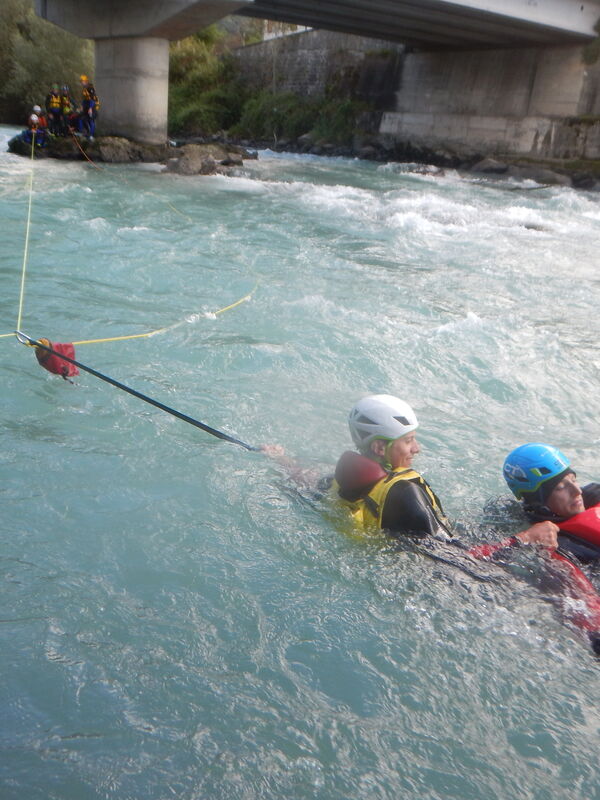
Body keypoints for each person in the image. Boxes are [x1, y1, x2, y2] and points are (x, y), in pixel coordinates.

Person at [502, 443, 600, 564]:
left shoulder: (595, 495)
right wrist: (523, 540)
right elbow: (472, 560)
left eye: (573, 480)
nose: (577, 491)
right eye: (561, 487)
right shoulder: (558, 548)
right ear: (538, 501)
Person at [80, 74, 99, 140]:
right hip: (87, 107)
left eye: (82, 81)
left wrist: (90, 108)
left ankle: (91, 135)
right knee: (83, 119)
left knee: (91, 120)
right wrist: (82, 106)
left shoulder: (90, 88)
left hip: (93, 107)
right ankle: (87, 133)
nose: (82, 82)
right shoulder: (84, 89)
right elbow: (85, 100)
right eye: (81, 81)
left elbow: (92, 99)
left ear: (86, 81)